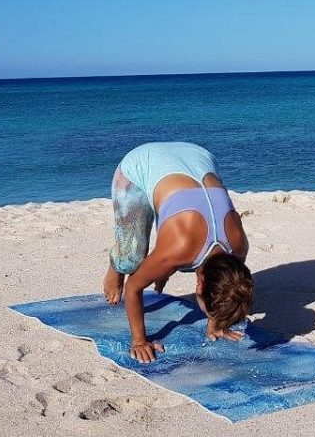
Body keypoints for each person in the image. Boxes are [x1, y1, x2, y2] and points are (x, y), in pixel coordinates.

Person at [102, 141, 253, 363]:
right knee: (131, 259)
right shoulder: (178, 248)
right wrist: (139, 341)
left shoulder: (239, 247)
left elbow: (220, 276)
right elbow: (134, 287)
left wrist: (218, 322)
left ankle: (160, 269)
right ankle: (116, 266)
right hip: (140, 164)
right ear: (199, 286)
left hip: (198, 155)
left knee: (164, 264)